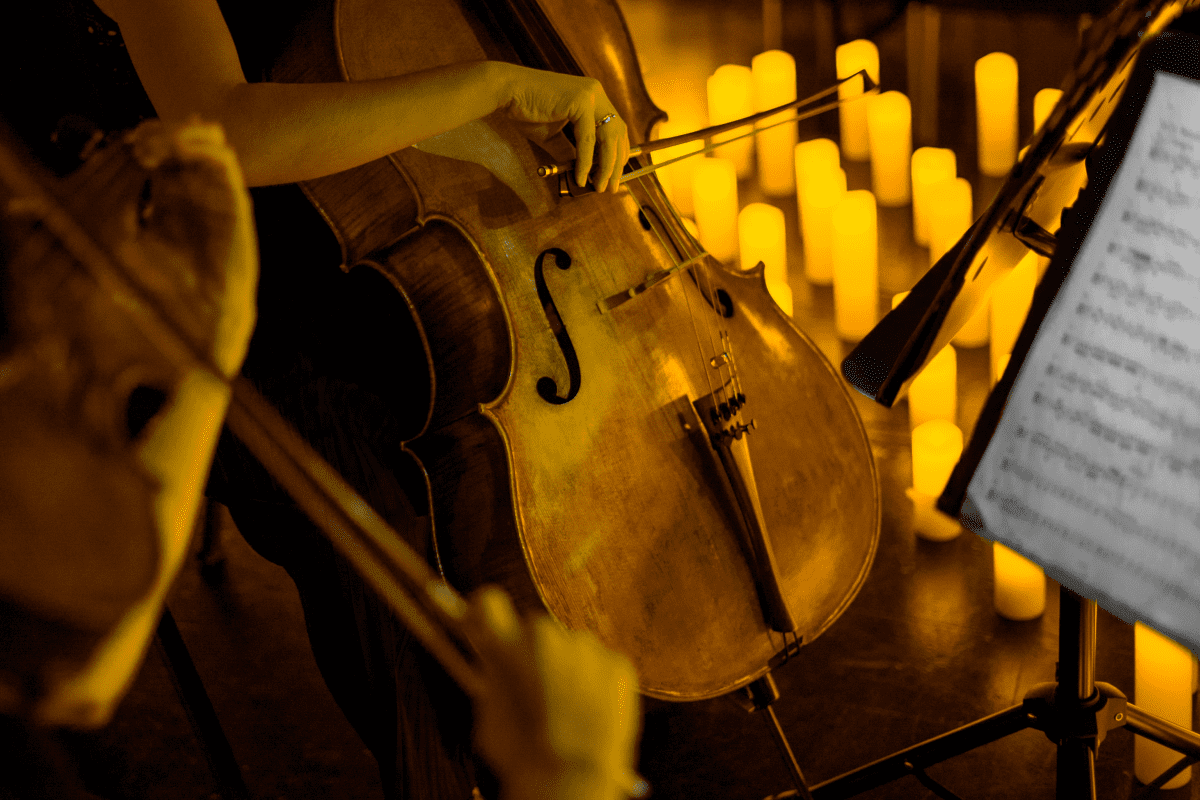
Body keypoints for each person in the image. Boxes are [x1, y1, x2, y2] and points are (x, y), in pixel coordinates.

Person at [1, 1, 639, 798]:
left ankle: (581, 718)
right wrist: (495, 84)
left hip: (334, 227)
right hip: (176, 284)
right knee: (370, 522)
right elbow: (230, 124)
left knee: (490, 406)